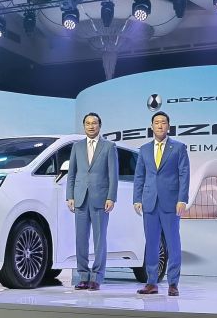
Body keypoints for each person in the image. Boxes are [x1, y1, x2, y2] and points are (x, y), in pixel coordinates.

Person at [133, 111, 190, 296]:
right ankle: (151, 282)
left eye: (163, 122)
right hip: (149, 202)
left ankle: (173, 283)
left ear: (168, 126)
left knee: (173, 243)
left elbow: (184, 174)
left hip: (171, 202)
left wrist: (182, 199)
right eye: (156, 122)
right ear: (152, 126)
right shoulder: (144, 150)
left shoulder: (179, 148)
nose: (160, 125)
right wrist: (137, 198)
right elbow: (139, 176)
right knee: (151, 243)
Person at [65, 112, 119, 291]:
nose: (91, 126)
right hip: (80, 198)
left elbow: (113, 175)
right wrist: (70, 196)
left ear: (99, 126)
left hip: (100, 199)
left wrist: (111, 197)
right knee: (80, 239)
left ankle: (97, 277)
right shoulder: (77, 147)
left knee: (99, 239)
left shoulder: (109, 146)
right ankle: (83, 276)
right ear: (84, 126)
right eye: (87, 123)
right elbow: (71, 173)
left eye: (94, 123)